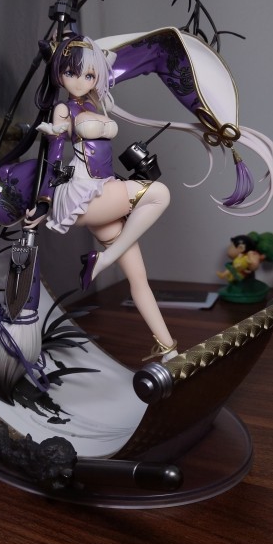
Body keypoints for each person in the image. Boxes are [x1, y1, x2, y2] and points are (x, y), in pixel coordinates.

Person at [24, 35, 178, 362]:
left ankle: (169, 350)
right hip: (87, 195)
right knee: (159, 194)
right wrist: (44, 201)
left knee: (138, 278)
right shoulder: (63, 109)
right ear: (59, 72)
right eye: (71, 72)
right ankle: (102, 262)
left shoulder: (95, 103)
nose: (80, 81)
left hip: (106, 194)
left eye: (89, 75)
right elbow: (53, 158)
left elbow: (111, 63)